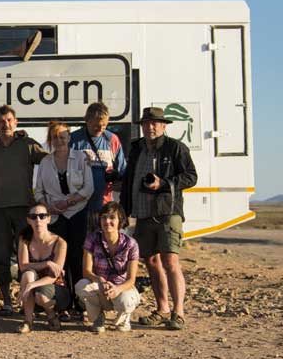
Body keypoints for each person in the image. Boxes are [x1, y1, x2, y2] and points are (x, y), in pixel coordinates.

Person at [121, 107, 198, 331]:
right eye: (146, 123)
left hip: (168, 212)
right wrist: (125, 209)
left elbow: (191, 176)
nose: (150, 127)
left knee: (170, 261)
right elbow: (129, 179)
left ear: (164, 126)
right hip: (143, 213)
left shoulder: (175, 148)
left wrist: (163, 183)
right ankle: (162, 309)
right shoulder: (136, 148)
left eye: (155, 123)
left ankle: (179, 312)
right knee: (151, 262)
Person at [0, 105, 47, 314]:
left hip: (24, 209)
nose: (5, 124)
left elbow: (49, 162)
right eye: (1, 121)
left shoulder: (27, 144)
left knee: (27, 256)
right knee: (0, 256)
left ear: (16, 122)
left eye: (9, 120)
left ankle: (29, 298)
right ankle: (7, 300)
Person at [33, 120, 94, 316]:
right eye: (55, 137)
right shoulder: (45, 162)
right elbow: (38, 191)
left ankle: (81, 304)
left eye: (63, 136)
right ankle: (63, 303)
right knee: (60, 259)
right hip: (55, 216)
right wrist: (49, 207)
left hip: (76, 213)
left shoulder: (81, 158)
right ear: (50, 140)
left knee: (77, 257)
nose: (59, 140)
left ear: (69, 137)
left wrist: (69, 203)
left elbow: (88, 188)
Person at [75, 202, 141, 333]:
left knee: (126, 301)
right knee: (82, 286)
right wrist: (99, 279)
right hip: (100, 286)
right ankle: (97, 318)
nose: (107, 221)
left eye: (112, 218)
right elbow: (86, 271)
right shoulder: (92, 239)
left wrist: (117, 289)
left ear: (120, 221)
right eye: (104, 217)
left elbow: (131, 279)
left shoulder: (131, 244)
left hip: (121, 287)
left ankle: (124, 318)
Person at [69, 102, 126, 232]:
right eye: (96, 126)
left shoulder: (112, 139)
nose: (100, 129)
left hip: (104, 205)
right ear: (87, 121)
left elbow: (123, 169)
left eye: (104, 125)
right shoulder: (74, 139)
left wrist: (120, 182)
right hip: (79, 206)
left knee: (103, 245)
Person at [16, 202, 70, 333]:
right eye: (33, 216)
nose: (38, 220)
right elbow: (23, 266)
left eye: (42, 216)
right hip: (32, 292)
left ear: (48, 219)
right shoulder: (24, 239)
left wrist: (30, 286)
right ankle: (28, 321)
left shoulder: (60, 242)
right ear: (28, 220)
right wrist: (46, 263)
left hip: (55, 291)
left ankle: (52, 316)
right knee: (27, 274)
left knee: (41, 295)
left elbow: (54, 276)